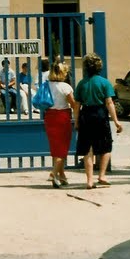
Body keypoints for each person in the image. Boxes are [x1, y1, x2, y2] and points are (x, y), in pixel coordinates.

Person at [74, 52, 123, 189]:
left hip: (86, 114)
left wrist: (76, 121)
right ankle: (102, 175)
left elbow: (77, 105)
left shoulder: (81, 84)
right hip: (100, 114)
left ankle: (90, 180)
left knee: (87, 148)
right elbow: (109, 103)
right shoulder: (104, 82)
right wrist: (116, 121)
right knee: (106, 145)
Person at [43, 60, 79, 188]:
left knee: (55, 148)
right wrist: (78, 116)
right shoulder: (65, 87)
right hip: (62, 117)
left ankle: (61, 175)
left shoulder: (46, 85)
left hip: (49, 117)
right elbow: (73, 104)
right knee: (63, 148)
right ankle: (53, 173)